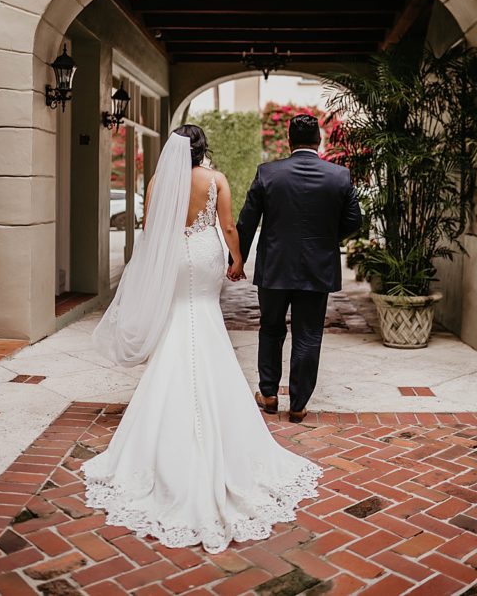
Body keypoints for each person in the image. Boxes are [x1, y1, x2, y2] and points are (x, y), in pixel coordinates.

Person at [83, 125, 322, 554]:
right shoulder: (216, 180)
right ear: (202, 150)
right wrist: (236, 259)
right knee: (205, 317)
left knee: (179, 320)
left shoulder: (158, 182)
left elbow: (152, 228)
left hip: (174, 258)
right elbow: (228, 225)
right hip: (206, 258)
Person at [232, 113, 361, 423]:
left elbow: (246, 222)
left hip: (275, 267)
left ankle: (270, 394)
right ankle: (299, 404)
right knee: (308, 334)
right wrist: (328, 240)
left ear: (289, 141)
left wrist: (236, 260)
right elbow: (354, 221)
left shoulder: (268, 173)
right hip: (318, 269)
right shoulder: (339, 176)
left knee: (271, 328)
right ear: (319, 141)